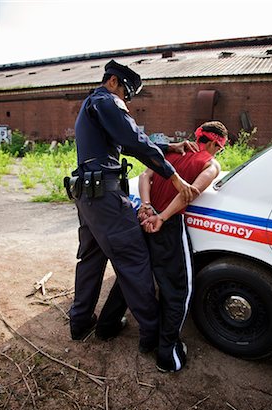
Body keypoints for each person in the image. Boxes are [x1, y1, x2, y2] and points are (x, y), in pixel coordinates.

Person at [68, 59, 199, 352]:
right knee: (135, 259)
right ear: (113, 81)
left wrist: (169, 147)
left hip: (88, 196)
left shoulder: (92, 104)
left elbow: (126, 142)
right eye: (126, 93)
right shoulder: (106, 100)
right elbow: (133, 138)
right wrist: (174, 177)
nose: (126, 100)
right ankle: (151, 336)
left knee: (91, 259)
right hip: (105, 198)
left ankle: (79, 322)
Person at [138, 121, 228, 372]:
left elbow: (146, 175)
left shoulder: (172, 150)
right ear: (214, 143)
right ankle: (167, 356)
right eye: (219, 149)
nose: (218, 153)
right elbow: (189, 193)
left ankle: (121, 331)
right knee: (178, 290)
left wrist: (146, 207)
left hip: (144, 218)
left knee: (136, 276)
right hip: (165, 226)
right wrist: (162, 217)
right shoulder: (210, 164)